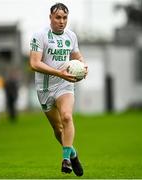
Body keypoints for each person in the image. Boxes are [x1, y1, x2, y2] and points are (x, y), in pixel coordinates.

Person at [29, 3, 88, 176]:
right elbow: (34, 63)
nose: (61, 21)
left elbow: (77, 56)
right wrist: (58, 73)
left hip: (65, 85)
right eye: (58, 17)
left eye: (64, 18)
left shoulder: (71, 36)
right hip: (45, 88)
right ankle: (73, 154)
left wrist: (84, 66)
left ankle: (66, 160)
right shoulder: (40, 35)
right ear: (50, 18)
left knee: (67, 117)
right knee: (58, 130)